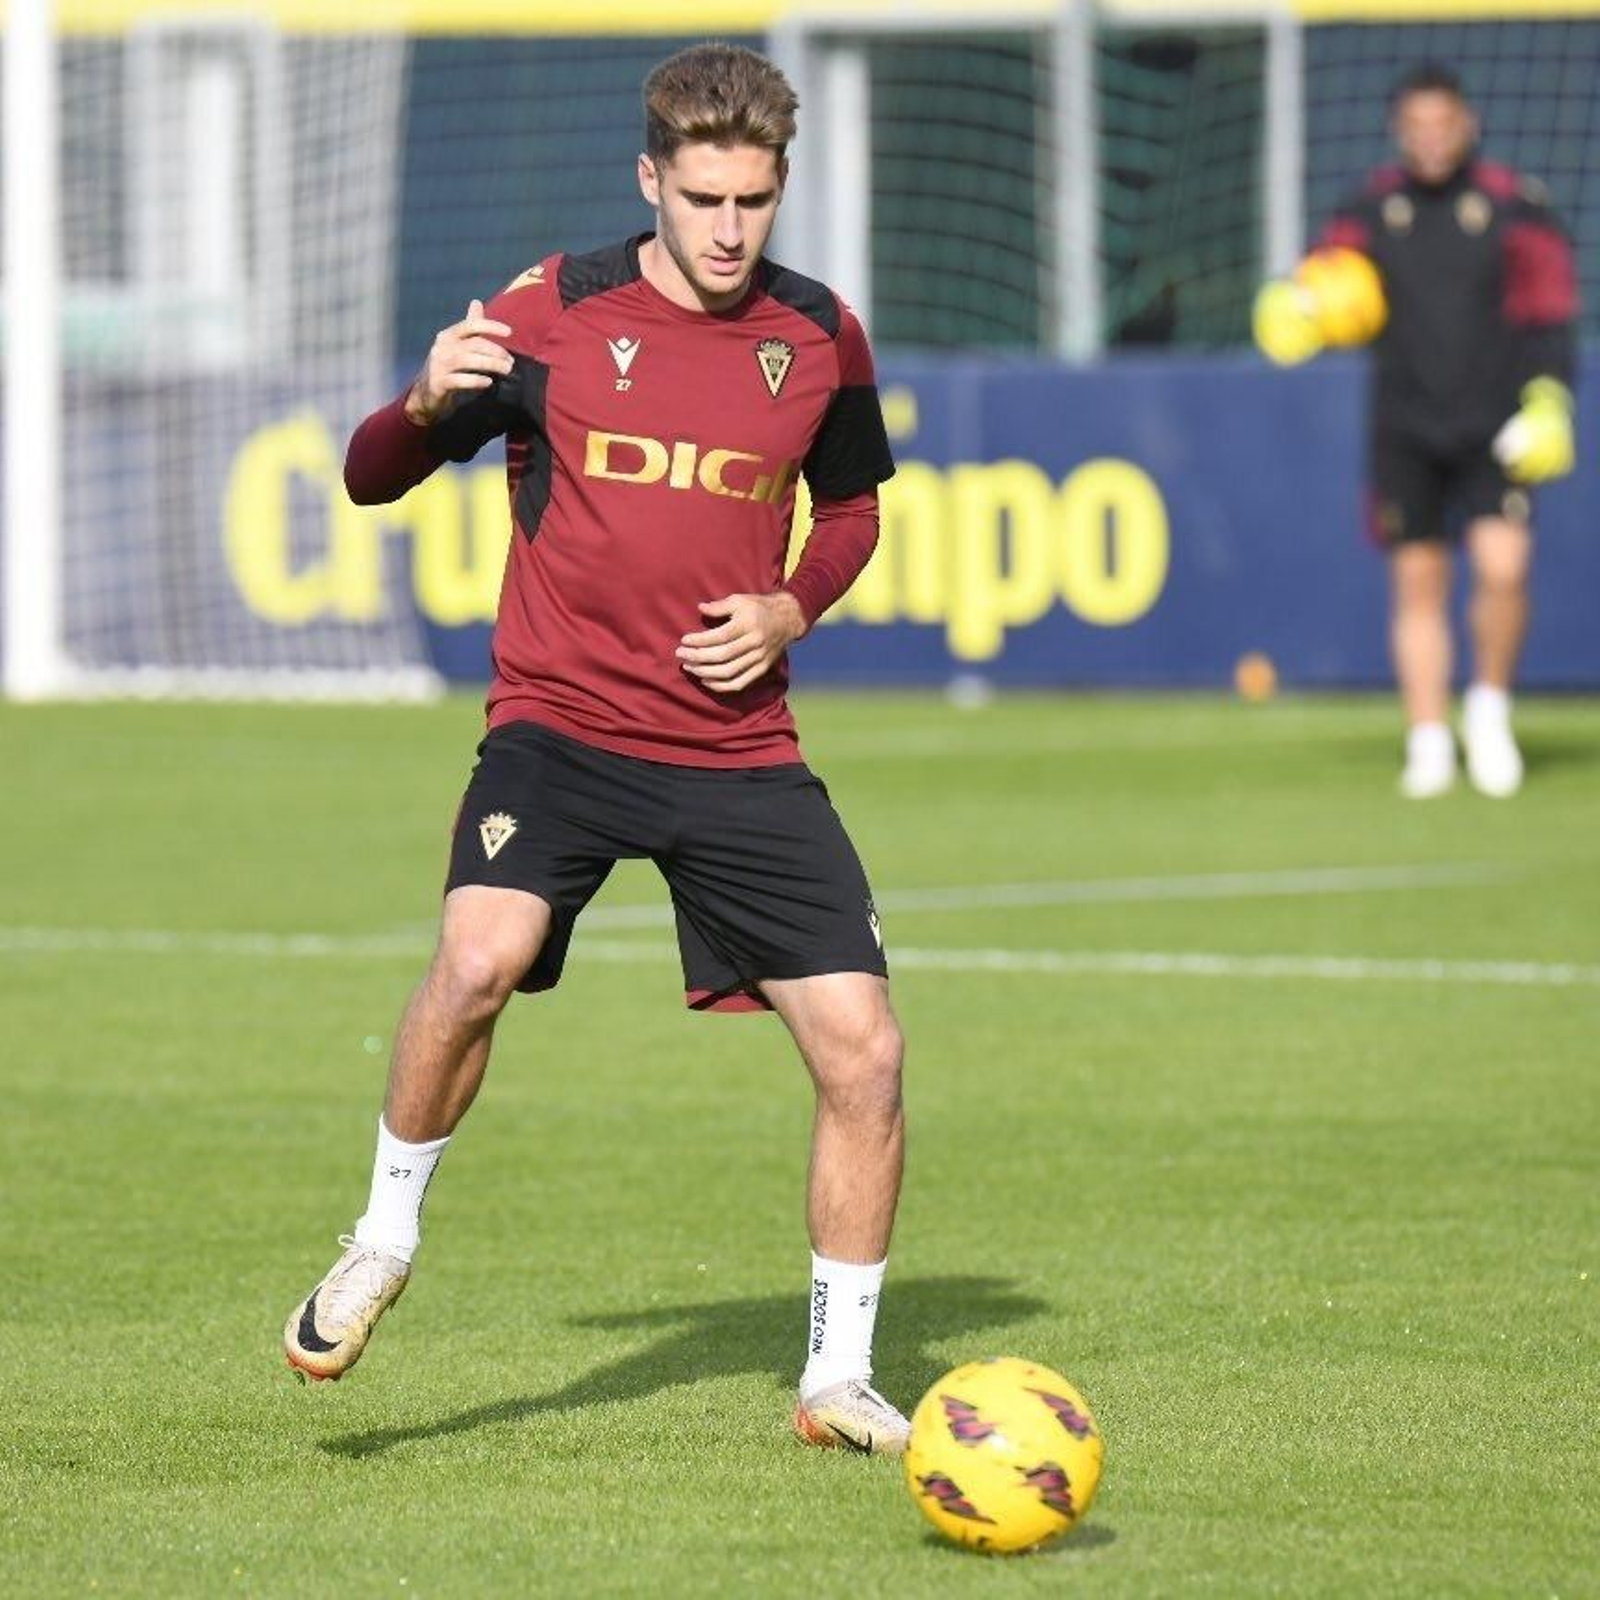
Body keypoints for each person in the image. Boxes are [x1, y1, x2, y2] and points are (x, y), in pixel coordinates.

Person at [282, 42, 911, 1455]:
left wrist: (791, 603)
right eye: (704, 199)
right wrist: (427, 401)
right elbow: (371, 475)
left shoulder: (820, 335)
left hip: (739, 749)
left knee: (865, 1053)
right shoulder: (551, 311)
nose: (732, 229)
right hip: (559, 731)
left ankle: (837, 1380)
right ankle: (383, 1237)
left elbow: (859, 511)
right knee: (478, 959)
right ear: (651, 181)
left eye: (755, 199)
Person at [1254, 63, 1578, 798]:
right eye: (1417, 126)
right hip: (1406, 422)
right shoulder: (1369, 210)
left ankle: (1489, 710)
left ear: (1468, 124)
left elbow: (1550, 313)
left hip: (1497, 421)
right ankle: (1429, 738)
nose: (1432, 139)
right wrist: (1293, 306)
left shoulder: (1514, 207)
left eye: (1444, 124)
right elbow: (1317, 281)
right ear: (1400, 131)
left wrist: (1550, 401)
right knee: (1418, 580)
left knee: (1503, 568)